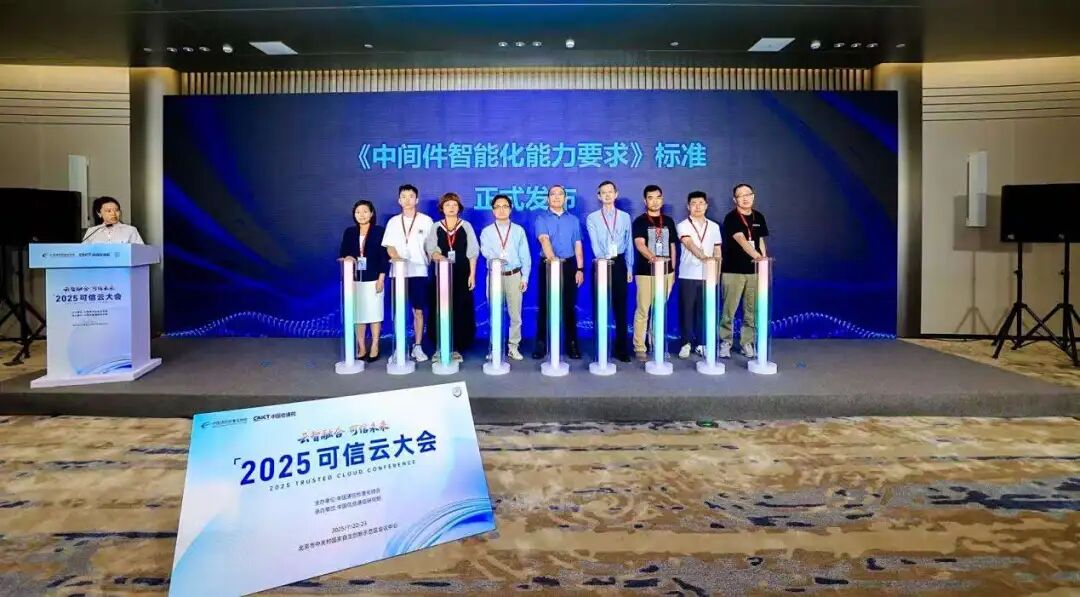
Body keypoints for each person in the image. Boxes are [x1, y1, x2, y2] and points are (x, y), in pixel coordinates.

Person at [381, 184, 434, 362]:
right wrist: (398, 259)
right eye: (403, 196)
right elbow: (389, 247)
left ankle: (417, 346)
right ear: (399, 200)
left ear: (416, 200)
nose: (407, 200)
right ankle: (400, 346)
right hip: (398, 272)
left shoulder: (426, 221)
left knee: (418, 310)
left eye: (411, 196)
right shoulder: (393, 222)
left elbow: (431, 247)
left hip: (419, 271)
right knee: (399, 311)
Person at [532, 184, 585, 360]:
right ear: (548, 199)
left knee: (569, 306)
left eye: (560, 194)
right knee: (545, 306)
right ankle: (541, 344)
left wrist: (580, 268)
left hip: (569, 266)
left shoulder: (573, 220)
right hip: (548, 264)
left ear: (565, 198)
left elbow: (577, 244)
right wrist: (553, 260)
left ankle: (572, 344)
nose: (556, 197)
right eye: (553, 194)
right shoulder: (541, 218)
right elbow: (544, 240)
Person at [425, 192, 479, 362]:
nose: (451, 208)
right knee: (439, 310)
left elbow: (472, 252)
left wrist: (472, 274)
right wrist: (440, 257)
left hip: (462, 276)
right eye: (447, 205)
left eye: (454, 205)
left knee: (460, 311)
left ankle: (456, 348)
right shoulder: (436, 227)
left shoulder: (466, 226)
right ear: (442, 208)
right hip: (441, 276)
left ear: (459, 208)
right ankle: (440, 347)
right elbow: (431, 249)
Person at [585, 180, 634, 362]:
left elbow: (628, 243)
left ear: (616, 194)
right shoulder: (592, 218)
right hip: (601, 263)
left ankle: (621, 349)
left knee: (621, 307)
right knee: (600, 306)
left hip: (619, 263)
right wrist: (603, 261)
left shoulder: (625, 217)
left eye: (610, 192)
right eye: (603, 192)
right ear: (599, 196)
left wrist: (629, 266)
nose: (607, 195)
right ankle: (601, 347)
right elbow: (595, 243)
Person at [720, 183, 770, 359]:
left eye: (748, 194)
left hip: (754, 271)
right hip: (733, 271)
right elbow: (741, 240)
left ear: (753, 196)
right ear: (735, 200)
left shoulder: (759, 217)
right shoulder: (731, 218)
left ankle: (746, 342)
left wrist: (763, 261)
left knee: (751, 310)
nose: (745, 198)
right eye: (740, 195)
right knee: (729, 310)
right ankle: (725, 342)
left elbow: (760, 240)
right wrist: (758, 257)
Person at [479, 194, 531, 361]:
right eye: (498, 207)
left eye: (505, 206)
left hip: (514, 275)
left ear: (510, 209)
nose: (501, 210)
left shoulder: (518, 230)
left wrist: (525, 278)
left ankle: (513, 346)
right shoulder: (487, 231)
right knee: (494, 313)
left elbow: (525, 256)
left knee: (515, 315)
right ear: (493, 210)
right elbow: (485, 251)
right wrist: (498, 259)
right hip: (495, 275)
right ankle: (495, 347)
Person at [631, 184, 678, 361]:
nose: (655, 201)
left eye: (658, 197)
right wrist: (653, 258)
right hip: (646, 272)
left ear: (662, 199)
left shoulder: (669, 221)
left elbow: (672, 246)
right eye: (651, 198)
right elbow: (639, 244)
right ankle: (639, 347)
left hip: (666, 273)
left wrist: (672, 269)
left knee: (659, 310)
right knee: (643, 310)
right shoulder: (640, 221)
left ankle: (656, 343)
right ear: (645, 201)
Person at [676, 191, 723, 359]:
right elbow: (689, 244)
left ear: (706, 206)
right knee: (687, 311)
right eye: (694, 203)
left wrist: (716, 274)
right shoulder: (683, 225)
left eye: (701, 203)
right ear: (688, 206)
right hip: (688, 274)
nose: (697, 206)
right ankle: (686, 343)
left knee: (704, 312)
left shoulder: (714, 226)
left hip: (708, 276)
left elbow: (717, 251)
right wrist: (704, 257)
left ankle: (702, 343)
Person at [338, 200, 387, 362]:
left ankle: (375, 345)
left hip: (374, 279)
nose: (361, 215)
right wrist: (348, 258)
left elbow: (384, 256)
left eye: (365, 211)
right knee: (358, 315)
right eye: (358, 212)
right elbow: (343, 253)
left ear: (371, 213)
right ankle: (361, 346)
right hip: (354, 280)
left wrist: (381, 278)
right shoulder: (349, 232)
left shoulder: (379, 231)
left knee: (374, 313)